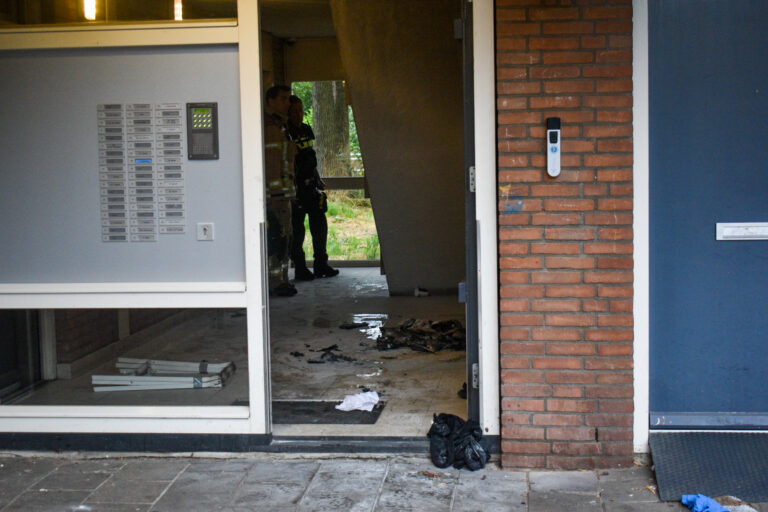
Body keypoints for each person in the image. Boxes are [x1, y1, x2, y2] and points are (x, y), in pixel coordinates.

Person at [287, 95, 339, 279]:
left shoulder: (306, 129)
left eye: (301, 110)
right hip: (296, 188)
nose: (298, 114)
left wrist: (318, 178)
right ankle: (300, 268)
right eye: (294, 111)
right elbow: (289, 162)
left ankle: (321, 265)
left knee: (319, 225)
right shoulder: (285, 132)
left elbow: (310, 157)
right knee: (297, 229)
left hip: (311, 186)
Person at [264, 85, 298, 296]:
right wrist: (275, 196)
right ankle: (274, 282)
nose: (288, 103)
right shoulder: (269, 127)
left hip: (284, 195)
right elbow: (271, 164)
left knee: (287, 237)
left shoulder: (281, 125)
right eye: (284, 99)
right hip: (276, 197)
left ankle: (283, 280)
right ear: (271, 101)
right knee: (277, 237)